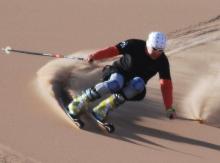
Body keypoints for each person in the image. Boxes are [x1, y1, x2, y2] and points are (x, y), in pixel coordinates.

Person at [67, 31, 176, 123]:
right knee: (116, 83)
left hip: (132, 84)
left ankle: (103, 108)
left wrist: (168, 107)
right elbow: (113, 50)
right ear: (148, 44)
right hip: (118, 72)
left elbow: (165, 84)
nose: (157, 53)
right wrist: (95, 56)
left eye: (160, 50)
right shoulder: (134, 44)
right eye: (155, 49)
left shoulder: (162, 61)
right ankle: (79, 101)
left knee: (138, 84)